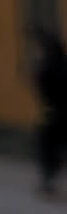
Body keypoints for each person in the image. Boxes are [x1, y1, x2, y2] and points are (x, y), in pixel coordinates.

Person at [31, 29, 67, 195]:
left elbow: (42, 84)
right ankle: (50, 179)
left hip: (52, 110)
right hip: (60, 110)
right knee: (55, 144)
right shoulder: (61, 63)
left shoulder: (48, 66)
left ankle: (48, 181)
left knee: (47, 145)